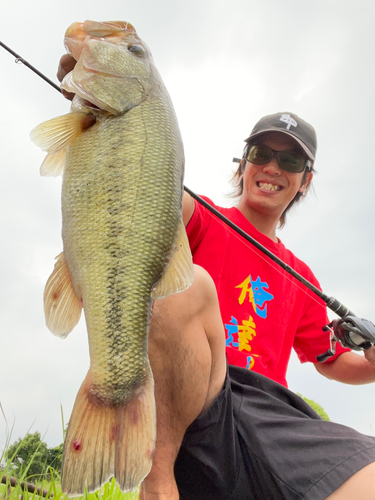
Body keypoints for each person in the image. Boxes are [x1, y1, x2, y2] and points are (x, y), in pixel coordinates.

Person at [58, 54, 375, 500]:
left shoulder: (303, 277)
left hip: (271, 418)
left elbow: (331, 360)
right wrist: (99, 109)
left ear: (304, 182)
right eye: (261, 154)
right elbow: (145, 191)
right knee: (186, 279)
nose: (272, 167)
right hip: (198, 399)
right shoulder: (201, 217)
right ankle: (157, 485)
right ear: (242, 164)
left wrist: (371, 367)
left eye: (290, 161)